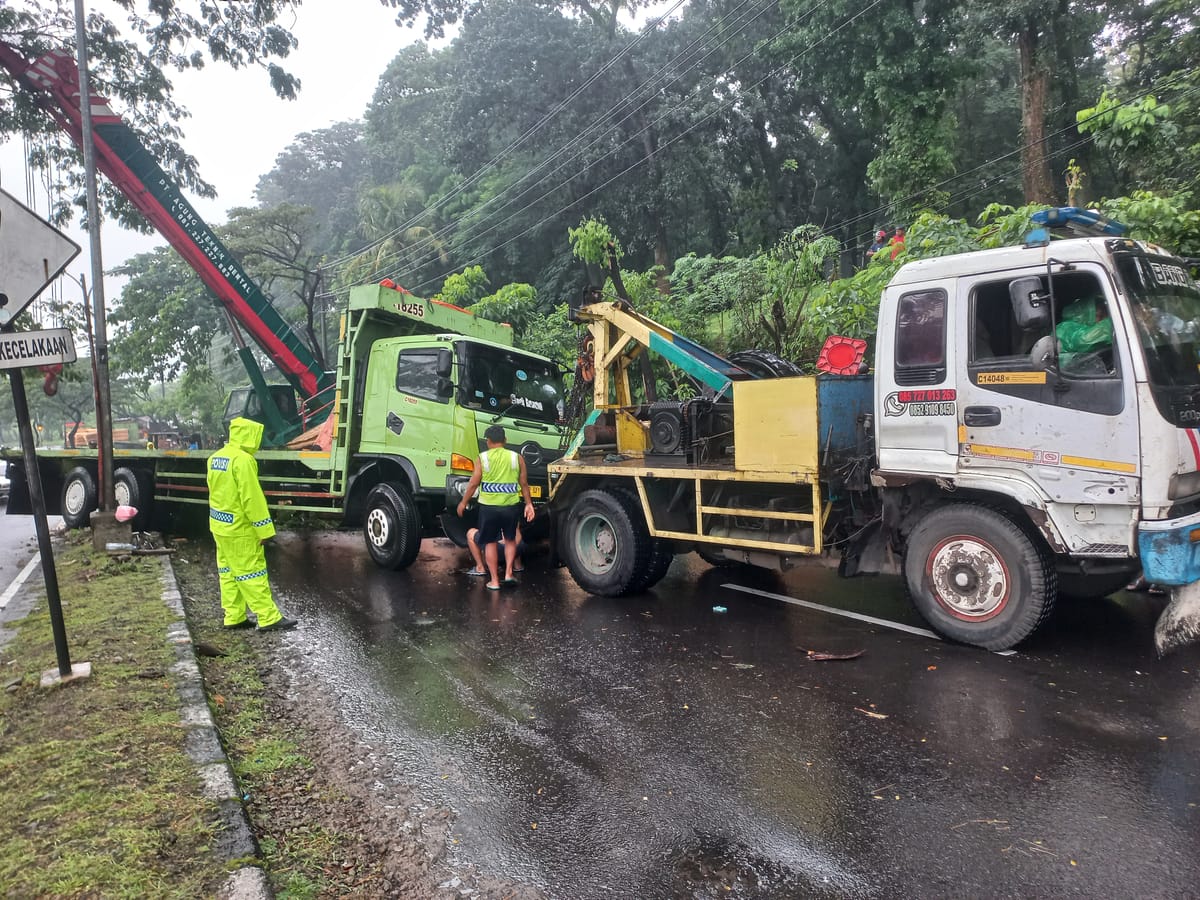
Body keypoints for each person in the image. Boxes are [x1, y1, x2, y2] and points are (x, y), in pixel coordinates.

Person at [207, 416, 296, 631]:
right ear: (248, 436)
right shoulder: (243, 461)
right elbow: (252, 499)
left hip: (220, 526)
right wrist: (265, 530)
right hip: (240, 529)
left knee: (228, 573)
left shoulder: (215, 458)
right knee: (251, 572)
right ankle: (268, 617)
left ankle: (234, 616)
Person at [455, 424, 536, 590]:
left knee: (490, 542)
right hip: (511, 507)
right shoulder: (517, 458)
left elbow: (473, 484)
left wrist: (463, 502)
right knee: (510, 539)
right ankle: (508, 573)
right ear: (505, 440)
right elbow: (524, 484)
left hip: (488, 508)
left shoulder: (482, 458)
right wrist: (529, 504)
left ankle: (494, 581)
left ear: (488, 441)